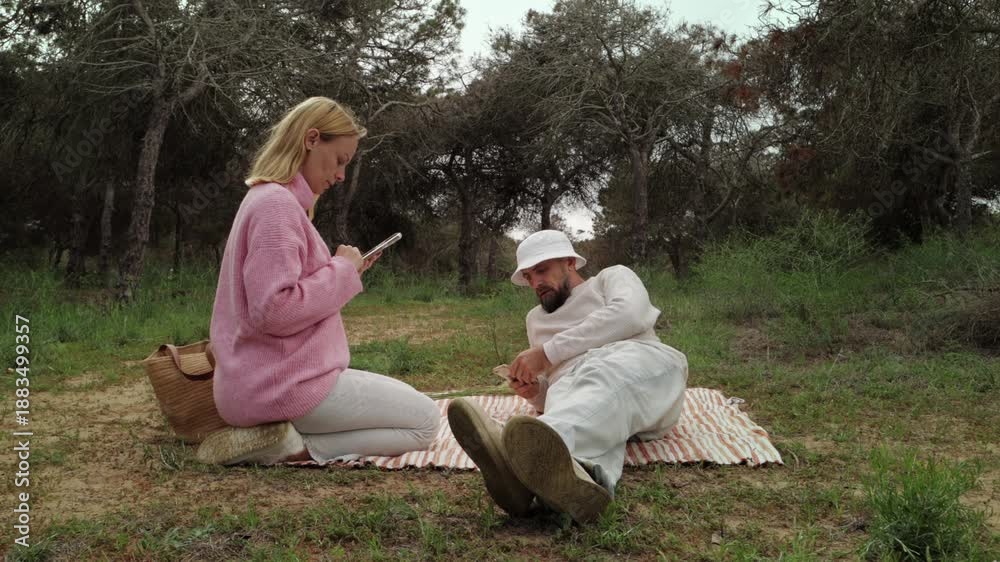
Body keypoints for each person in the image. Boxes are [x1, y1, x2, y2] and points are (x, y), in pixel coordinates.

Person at [197, 97, 439, 466]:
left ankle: (277, 438)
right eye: (340, 160)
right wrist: (341, 271)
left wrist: (347, 272)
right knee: (426, 421)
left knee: (416, 404)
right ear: (311, 139)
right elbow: (274, 310)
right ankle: (293, 448)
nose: (341, 175)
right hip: (282, 388)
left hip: (262, 385)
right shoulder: (276, 205)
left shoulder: (265, 199)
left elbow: (280, 299)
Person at [447, 230, 688, 523]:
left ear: (570, 263)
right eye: (528, 276)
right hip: (581, 391)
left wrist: (547, 353)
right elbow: (560, 391)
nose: (535, 283)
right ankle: (582, 478)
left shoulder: (611, 278)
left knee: (603, 375)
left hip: (641, 364)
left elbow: (630, 315)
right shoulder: (535, 320)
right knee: (576, 393)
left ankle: (515, 458)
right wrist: (535, 391)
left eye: (541, 270)